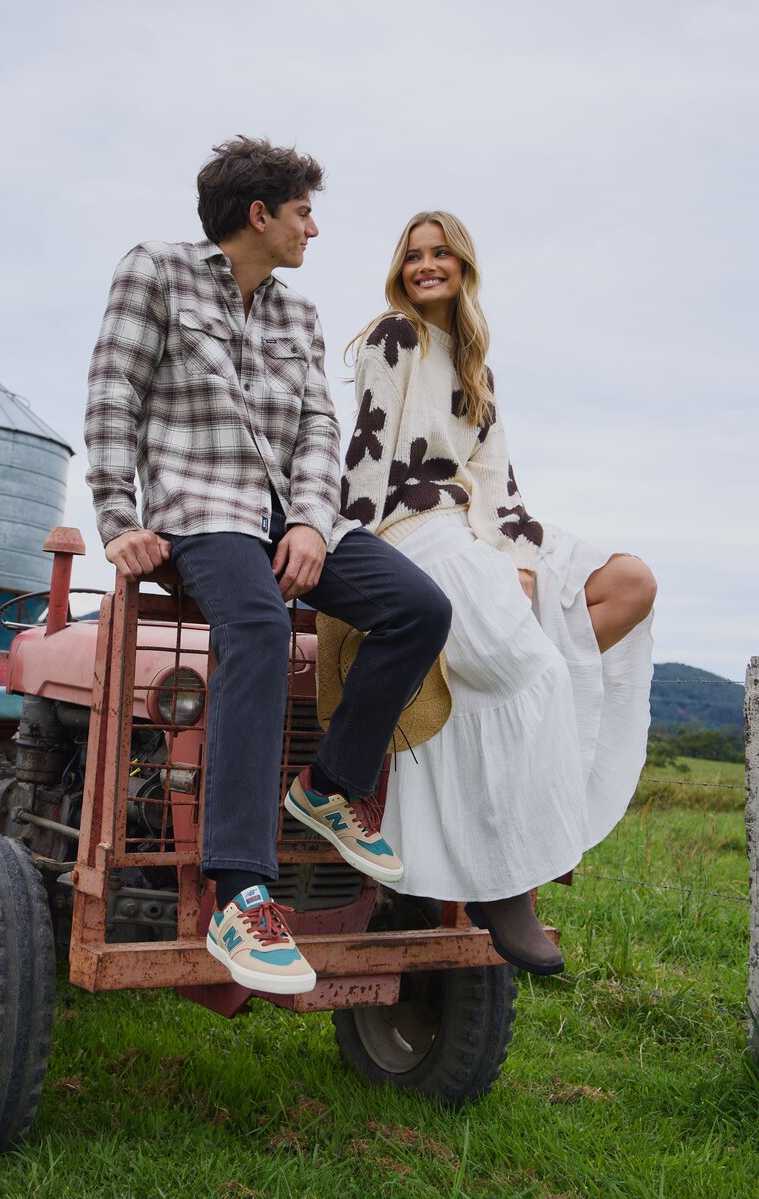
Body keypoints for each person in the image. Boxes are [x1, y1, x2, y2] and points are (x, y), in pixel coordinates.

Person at [84, 141, 451, 996]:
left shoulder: (299, 314)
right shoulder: (155, 272)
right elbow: (113, 394)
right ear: (260, 215)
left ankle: (329, 785)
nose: (312, 229)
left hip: (292, 517)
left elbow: (320, 432)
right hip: (201, 511)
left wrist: (317, 526)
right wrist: (116, 519)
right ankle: (237, 891)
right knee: (253, 625)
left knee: (417, 607)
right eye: (302, 213)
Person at [341, 211, 656, 975]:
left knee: (630, 583)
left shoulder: (476, 364)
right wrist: (344, 550)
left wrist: (515, 556)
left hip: (476, 526)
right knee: (534, 671)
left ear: (463, 265)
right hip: (411, 527)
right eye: (413, 255)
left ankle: (512, 822)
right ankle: (504, 880)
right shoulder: (395, 337)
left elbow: (497, 483)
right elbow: (368, 448)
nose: (426, 265)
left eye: (440, 252)